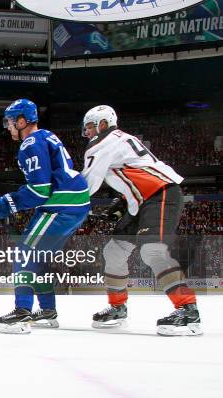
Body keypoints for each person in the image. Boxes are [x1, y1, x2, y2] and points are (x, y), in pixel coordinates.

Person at [81, 105, 202, 336]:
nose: (86, 132)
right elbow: (134, 173)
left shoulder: (102, 142)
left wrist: (60, 200)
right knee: (114, 251)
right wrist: (124, 202)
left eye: (89, 127)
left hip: (160, 192)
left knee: (153, 251)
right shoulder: (119, 139)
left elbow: (88, 185)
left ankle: (188, 310)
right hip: (143, 199)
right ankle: (118, 307)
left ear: (102, 124)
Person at [0, 99, 90, 334]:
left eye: (11, 122)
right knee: (40, 257)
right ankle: (47, 312)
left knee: (25, 252)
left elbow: (39, 190)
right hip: (75, 202)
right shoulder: (46, 135)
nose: (8, 127)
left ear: (22, 121)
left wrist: (9, 203)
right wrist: (11, 201)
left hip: (60, 205)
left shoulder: (29, 144)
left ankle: (22, 312)